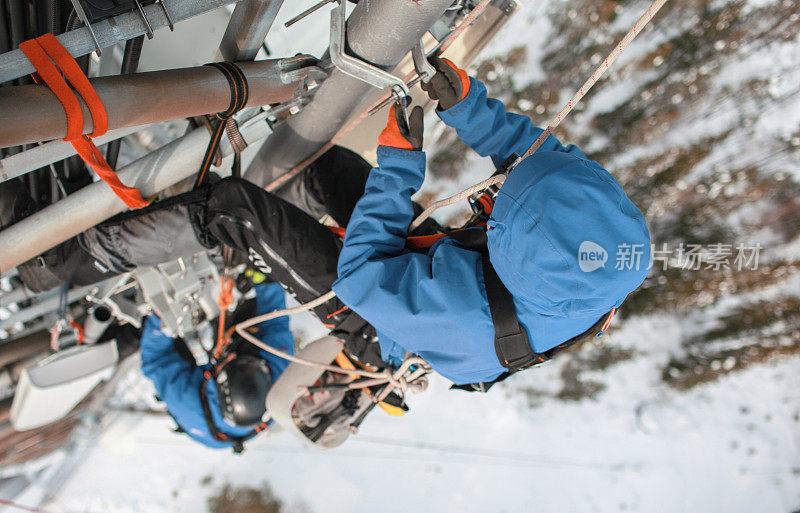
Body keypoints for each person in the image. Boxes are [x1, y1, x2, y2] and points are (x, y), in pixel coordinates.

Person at [331, 58, 652, 390]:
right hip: (471, 278)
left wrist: (396, 171)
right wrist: (471, 111)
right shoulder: (609, 235)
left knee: (286, 228)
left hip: (410, 332)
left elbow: (358, 273)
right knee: (337, 175)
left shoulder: (460, 312)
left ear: (502, 237)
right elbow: (543, 167)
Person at [140, 281, 293, 451]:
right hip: (252, 368)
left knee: (167, 341)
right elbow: (275, 322)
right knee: (248, 322)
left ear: (217, 386)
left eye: (228, 364)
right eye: (235, 360)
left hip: (198, 405)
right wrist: (264, 277)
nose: (232, 356)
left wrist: (162, 319)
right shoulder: (278, 375)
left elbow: (156, 359)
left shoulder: (187, 403)